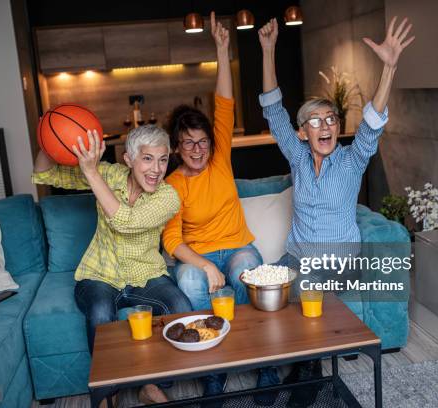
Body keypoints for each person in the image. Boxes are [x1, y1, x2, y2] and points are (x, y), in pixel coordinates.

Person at [258, 16, 414, 408]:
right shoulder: (295, 156)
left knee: (302, 285)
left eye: (331, 119)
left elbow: (373, 124)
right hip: (298, 254)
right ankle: (274, 367)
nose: (325, 125)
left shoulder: (351, 161)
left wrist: (389, 66)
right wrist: (267, 49)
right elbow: (273, 108)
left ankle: (308, 371)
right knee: (264, 288)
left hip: (338, 258)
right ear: (303, 132)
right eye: (315, 121)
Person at [161, 11, 276, 406]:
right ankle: (214, 370)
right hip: (200, 254)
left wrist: (222, 48)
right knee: (192, 282)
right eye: (188, 143)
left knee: (247, 271)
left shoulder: (220, 159)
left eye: (202, 141)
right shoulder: (172, 184)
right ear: (176, 148)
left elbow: (224, 104)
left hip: (238, 245)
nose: (197, 149)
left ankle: (264, 363)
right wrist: (206, 265)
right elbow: (172, 239)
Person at [32, 125, 192, 405]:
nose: (156, 169)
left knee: (179, 306)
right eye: (147, 158)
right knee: (99, 309)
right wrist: (49, 133)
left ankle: (153, 384)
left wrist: (91, 173)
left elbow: (126, 223)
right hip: (99, 274)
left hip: (146, 274)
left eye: (163, 159)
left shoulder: (168, 197)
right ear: (128, 160)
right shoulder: (108, 173)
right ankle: (108, 395)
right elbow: (46, 173)